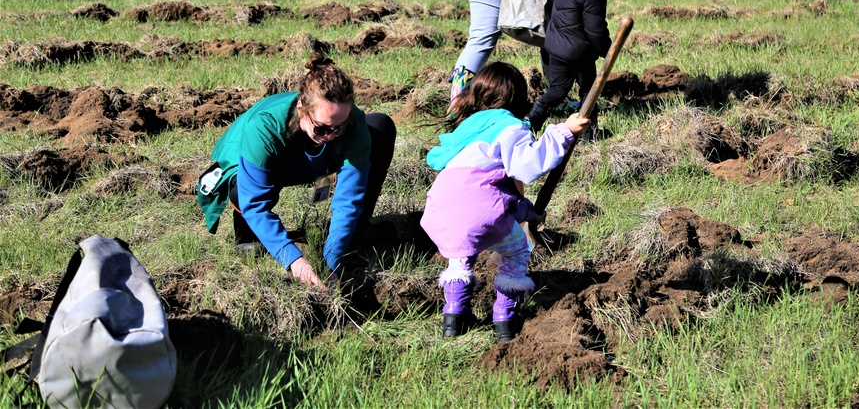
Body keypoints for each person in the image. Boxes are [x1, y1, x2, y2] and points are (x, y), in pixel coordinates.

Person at [420, 62, 590, 342]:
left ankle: (453, 316)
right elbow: (527, 166)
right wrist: (564, 132)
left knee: (461, 256)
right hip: (482, 210)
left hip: (441, 210)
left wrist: (527, 211)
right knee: (517, 251)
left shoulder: (466, 130)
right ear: (518, 99)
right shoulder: (510, 127)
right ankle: (505, 316)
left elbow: (497, 193)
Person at [197, 56, 396, 287]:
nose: (330, 136)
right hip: (263, 156)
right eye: (322, 128)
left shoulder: (351, 124)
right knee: (241, 188)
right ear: (302, 110)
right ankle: (248, 233)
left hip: (317, 159)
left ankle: (354, 230)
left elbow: (348, 197)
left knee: (379, 126)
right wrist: (294, 260)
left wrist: (333, 257)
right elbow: (255, 204)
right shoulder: (264, 129)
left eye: (339, 128)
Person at [526, 0, 612, 137]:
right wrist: (606, 49)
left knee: (557, 90)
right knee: (588, 91)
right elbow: (595, 29)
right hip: (580, 52)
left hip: (555, 46)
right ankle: (589, 132)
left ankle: (530, 122)